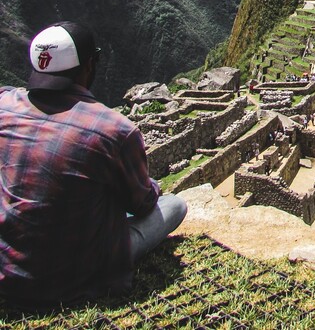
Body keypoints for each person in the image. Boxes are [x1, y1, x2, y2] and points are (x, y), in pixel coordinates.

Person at [0, 21, 187, 307]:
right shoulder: (114, 130)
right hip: (76, 275)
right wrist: (152, 186)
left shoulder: (5, 106)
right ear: (89, 66)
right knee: (174, 205)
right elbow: (143, 204)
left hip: (7, 272)